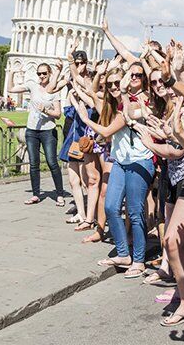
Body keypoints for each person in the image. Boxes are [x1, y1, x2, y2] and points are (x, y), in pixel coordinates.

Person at [75, 66, 154, 280]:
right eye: (109, 85)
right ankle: (123, 254)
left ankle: (138, 260)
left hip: (140, 162)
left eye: (117, 83)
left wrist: (86, 120)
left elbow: (110, 129)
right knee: (110, 206)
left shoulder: (142, 101)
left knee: (135, 212)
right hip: (120, 161)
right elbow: (92, 93)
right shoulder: (117, 104)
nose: (113, 88)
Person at [9, 64, 65, 205]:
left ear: (50, 73)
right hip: (32, 130)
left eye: (44, 73)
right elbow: (11, 89)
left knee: (52, 162)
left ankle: (59, 194)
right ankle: (36, 194)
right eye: (39, 73)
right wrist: (11, 73)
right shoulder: (33, 86)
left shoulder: (54, 91)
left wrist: (46, 111)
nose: (41, 76)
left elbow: (58, 114)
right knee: (34, 164)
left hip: (48, 130)